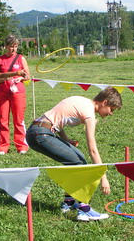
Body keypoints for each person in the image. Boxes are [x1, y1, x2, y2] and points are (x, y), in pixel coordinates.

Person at [26, 87, 122, 221]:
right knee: (79, 164)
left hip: (37, 131)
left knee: (78, 160)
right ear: (104, 102)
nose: (111, 113)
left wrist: (66, 140)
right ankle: (84, 210)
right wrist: (103, 178)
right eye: (112, 109)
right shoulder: (89, 113)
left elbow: (58, 119)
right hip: (40, 134)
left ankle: (69, 201)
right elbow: (92, 149)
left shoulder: (82, 101)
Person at [0, 34, 30, 155]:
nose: (13, 49)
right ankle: (3, 146)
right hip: (3, 92)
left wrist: (21, 78)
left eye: (15, 46)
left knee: (18, 119)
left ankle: (21, 146)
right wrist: (5, 79)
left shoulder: (21, 58)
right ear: (5, 46)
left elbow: (28, 76)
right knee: (3, 120)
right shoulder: (0, 59)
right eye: (11, 46)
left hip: (18, 92)